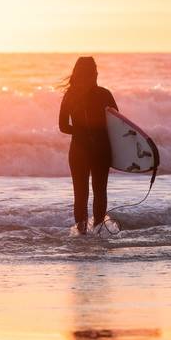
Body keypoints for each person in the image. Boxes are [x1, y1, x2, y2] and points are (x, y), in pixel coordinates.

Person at [58, 56, 118, 234]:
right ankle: (99, 232)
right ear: (94, 73)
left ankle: (82, 234)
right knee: (100, 193)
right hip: (101, 150)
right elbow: (117, 124)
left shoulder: (70, 96)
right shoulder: (104, 94)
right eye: (95, 70)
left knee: (80, 195)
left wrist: (80, 131)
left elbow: (62, 126)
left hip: (78, 150)